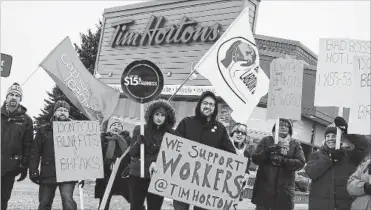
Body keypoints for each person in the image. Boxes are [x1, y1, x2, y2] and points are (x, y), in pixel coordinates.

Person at [172, 91, 236, 210]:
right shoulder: (186, 122)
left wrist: (243, 171)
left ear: (215, 108)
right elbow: (172, 148)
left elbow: (231, 155)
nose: (208, 106)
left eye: (212, 104)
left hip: (205, 185)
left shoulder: (220, 129)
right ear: (200, 104)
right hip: (182, 179)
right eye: (205, 103)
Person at [305, 116, 370, 210]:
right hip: (320, 205)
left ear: (340, 138)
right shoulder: (316, 155)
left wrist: (348, 131)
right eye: (328, 136)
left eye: (334, 136)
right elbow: (312, 173)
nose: (330, 139)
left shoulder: (350, 155)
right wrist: (329, 158)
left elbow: (365, 146)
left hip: (344, 205)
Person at [29, 100, 82, 210]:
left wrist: (83, 173)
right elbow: (35, 152)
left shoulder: (76, 130)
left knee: (68, 201)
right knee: (45, 202)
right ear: (54, 112)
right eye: (60, 110)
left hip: (68, 173)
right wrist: (33, 170)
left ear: (68, 113)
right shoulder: (43, 130)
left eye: (65, 110)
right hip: (48, 172)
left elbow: (82, 152)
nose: (63, 112)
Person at [128, 99, 176, 210]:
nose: (159, 118)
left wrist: (155, 162)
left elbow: (169, 156)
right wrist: (137, 143)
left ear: (167, 117)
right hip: (138, 175)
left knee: (155, 207)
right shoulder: (140, 129)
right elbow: (132, 153)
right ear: (151, 115)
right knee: (135, 207)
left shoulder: (171, 134)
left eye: (163, 115)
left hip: (157, 177)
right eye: (157, 114)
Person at [251, 118, 305, 210]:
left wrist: (283, 160)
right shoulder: (266, 140)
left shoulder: (295, 144)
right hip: (264, 190)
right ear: (275, 127)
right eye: (280, 125)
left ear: (290, 129)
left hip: (284, 192)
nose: (283, 127)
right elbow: (255, 159)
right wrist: (268, 151)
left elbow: (301, 163)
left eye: (286, 125)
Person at [1, 82, 33, 210]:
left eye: (17, 95)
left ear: (20, 99)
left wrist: (24, 166)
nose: (14, 97)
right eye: (11, 94)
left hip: (10, 167)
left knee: (3, 198)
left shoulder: (26, 120)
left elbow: (28, 145)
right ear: (6, 97)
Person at [95, 115, 132, 210]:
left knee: (134, 199)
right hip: (106, 175)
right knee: (104, 202)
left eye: (119, 125)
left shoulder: (127, 140)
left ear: (122, 128)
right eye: (114, 125)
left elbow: (131, 155)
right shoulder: (102, 139)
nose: (116, 127)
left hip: (122, 176)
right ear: (109, 128)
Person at [229, 123, 252, 210]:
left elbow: (246, 170)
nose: (240, 135)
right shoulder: (224, 147)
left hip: (235, 189)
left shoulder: (246, 154)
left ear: (245, 137)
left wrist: (246, 175)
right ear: (232, 134)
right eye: (237, 132)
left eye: (243, 133)